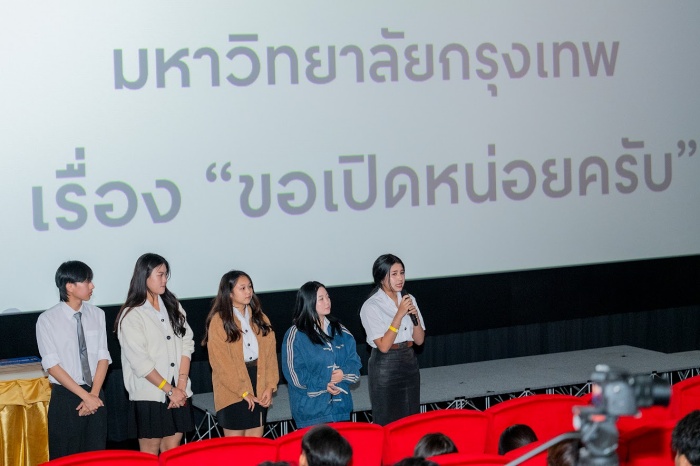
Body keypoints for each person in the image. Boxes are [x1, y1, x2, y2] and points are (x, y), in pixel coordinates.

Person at [115, 253, 194, 455]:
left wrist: (181, 386)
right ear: (144, 276)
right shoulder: (132, 314)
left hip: (179, 390)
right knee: (149, 454)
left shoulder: (173, 304)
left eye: (166, 274)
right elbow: (140, 362)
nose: (164, 279)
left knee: (173, 451)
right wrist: (169, 390)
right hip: (150, 394)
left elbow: (187, 342)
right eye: (160, 274)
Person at [35, 261, 111, 459]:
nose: (92, 286)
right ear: (69, 286)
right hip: (66, 397)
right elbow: (52, 366)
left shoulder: (98, 314)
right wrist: (85, 397)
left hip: (95, 392)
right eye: (87, 281)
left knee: (96, 457)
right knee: (66, 458)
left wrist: (93, 395)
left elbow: (103, 357)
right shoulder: (47, 320)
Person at [202, 270, 279, 437]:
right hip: (232, 389)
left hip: (258, 381)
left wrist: (270, 386)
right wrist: (243, 391)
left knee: (255, 444)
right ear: (229, 293)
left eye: (250, 287)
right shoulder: (219, 321)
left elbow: (270, 356)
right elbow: (221, 364)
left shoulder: (260, 318)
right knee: (236, 448)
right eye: (242, 288)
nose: (248, 291)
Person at [282, 281, 362, 428]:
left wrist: (343, 374)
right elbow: (295, 376)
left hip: (341, 410)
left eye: (328, 297)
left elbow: (355, 364)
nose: (327, 301)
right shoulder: (296, 334)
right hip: (311, 413)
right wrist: (324, 383)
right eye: (321, 298)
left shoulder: (340, 330)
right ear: (309, 302)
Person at [359, 253, 425, 425]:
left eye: (402, 273)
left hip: (409, 360)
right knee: (387, 419)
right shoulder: (371, 306)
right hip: (385, 365)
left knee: (411, 419)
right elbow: (383, 346)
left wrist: (415, 316)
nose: (400, 278)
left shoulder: (409, 299)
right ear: (381, 277)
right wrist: (399, 314)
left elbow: (419, 340)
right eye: (394, 274)